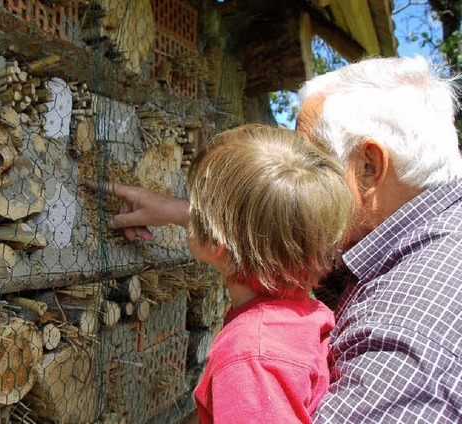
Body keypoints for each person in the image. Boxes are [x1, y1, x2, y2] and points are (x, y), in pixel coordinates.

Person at [89, 55, 462, 422]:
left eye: (313, 163)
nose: (300, 186)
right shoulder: (317, 300)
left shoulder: (406, 336)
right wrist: (197, 215)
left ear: (368, 167)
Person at [94, 123, 355, 423]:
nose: (190, 210)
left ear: (218, 242)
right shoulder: (302, 313)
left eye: (196, 205)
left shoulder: (250, 359)